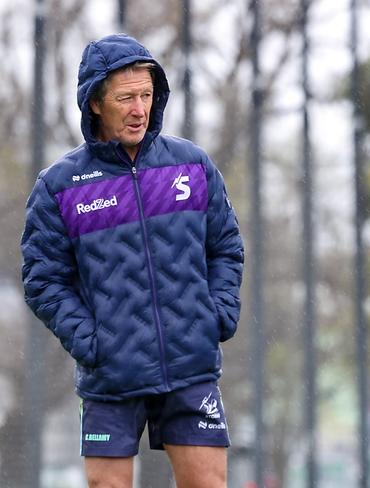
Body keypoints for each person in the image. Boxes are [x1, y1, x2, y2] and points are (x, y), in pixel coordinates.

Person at [21, 33, 243, 488]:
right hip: (109, 378)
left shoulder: (191, 165)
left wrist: (216, 315)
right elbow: (43, 279)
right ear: (96, 103)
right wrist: (91, 340)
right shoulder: (60, 186)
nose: (139, 108)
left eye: (146, 95)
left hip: (190, 367)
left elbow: (225, 247)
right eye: (125, 98)